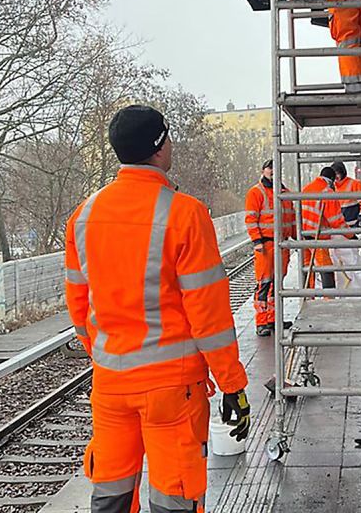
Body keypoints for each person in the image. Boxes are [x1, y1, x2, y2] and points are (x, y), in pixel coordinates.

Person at [65, 104, 249, 513]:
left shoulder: (83, 217)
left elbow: (78, 306)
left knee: (110, 493)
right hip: (172, 389)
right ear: (159, 147)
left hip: (110, 385)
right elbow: (210, 315)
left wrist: (105, 353)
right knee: (174, 494)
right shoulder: (185, 214)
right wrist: (232, 382)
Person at [244, 159, 296, 336]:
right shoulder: (256, 192)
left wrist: (297, 238)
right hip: (266, 245)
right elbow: (251, 218)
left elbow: (291, 218)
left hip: (282, 244)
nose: (273, 171)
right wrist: (257, 241)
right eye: (269, 168)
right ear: (263, 170)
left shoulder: (285, 193)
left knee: (277, 284)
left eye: (275, 169)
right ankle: (261, 322)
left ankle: (273, 319)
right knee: (264, 283)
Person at [302, 166, 347, 289]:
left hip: (302, 235)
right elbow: (336, 220)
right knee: (326, 267)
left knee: (307, 267)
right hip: (316, 236)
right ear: (332, 179)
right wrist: (350, 234)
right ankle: (329, 299)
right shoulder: (327, 192)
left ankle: (307, 297)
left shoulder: (307, 188)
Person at [331, 160, 361, 228]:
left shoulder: (355, 184)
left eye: (337, 173)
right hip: (338, 228)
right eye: (333, 174)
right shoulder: (332, 188)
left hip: (353, 226)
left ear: (343, 172)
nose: (335, 177)